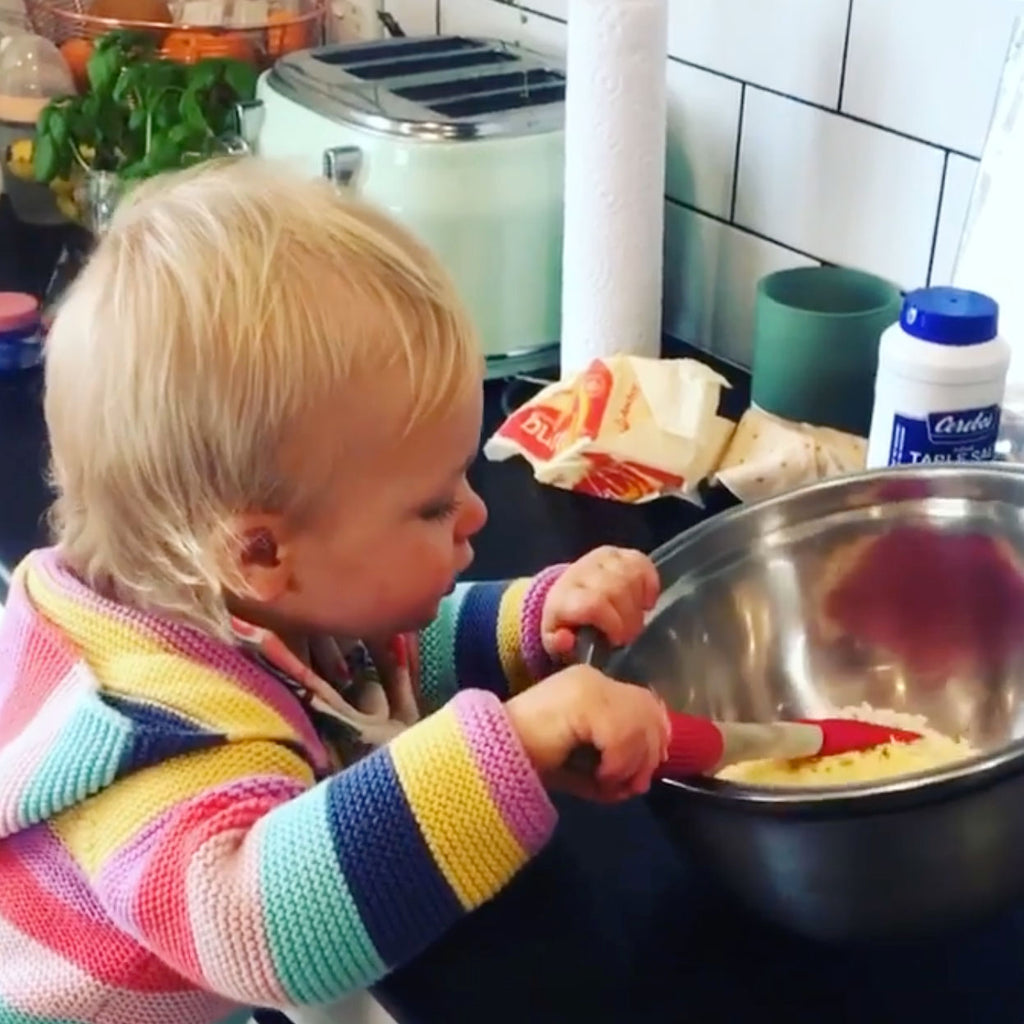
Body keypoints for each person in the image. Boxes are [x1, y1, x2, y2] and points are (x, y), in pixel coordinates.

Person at [0, 157, 669, 1024]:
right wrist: (515, 744)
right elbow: (266, 934)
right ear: (261, 551)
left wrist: (532, 622)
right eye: (433, 504)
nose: (473, 514)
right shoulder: (152, 736)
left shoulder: (227, 604)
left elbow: (372, 659)